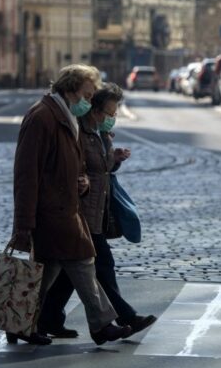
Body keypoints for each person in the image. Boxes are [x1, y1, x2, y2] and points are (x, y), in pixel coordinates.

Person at [11, 65, 133, 346]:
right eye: (86, 96)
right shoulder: (42, 117)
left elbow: (77, 166)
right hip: (50, 213)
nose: (89, 103)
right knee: (83, 261)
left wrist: (84, 182)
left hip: (66, 210)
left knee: (48, 272)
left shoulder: (66, 117)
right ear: (68, 89)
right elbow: (26, 174)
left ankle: (19, 321)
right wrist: (23, 224)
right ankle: (102, 324)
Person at [38, 83, 157, 339]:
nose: (111, 119)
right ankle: (123, 317)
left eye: (114, 114)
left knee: (66, 273)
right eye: (108, 113)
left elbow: (101, 170)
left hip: (96, 213)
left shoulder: (101, 135)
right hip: (80, 214)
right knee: (100, 265)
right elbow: (72, 169)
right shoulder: (78, 131)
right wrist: (82, 180)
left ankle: (48, 318)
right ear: (94, 109)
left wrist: (114, 160)